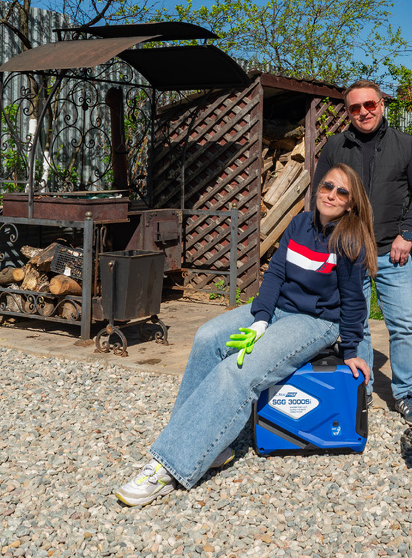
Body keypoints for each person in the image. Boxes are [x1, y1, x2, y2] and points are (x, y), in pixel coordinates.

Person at [115, 164, 376, 507]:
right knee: (208, 337)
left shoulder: (348, 240)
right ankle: (199, 444)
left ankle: (169, 466)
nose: (332, 194)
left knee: (239, 370)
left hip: (315, 321)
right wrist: (260, 320)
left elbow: (355, 303)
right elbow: (276, 275)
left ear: (351, 204)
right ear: (317, 188)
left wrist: (353, 348)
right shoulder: (298, 224)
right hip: (279, 308)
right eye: (328, 185)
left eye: (342, 192)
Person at [312, 79, 412, 423]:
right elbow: (320, 195)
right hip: (349, 252)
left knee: (405, 324)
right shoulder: (336, 145)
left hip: (391, 253)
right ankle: (360, 391)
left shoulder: (404, 145)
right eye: (355, 107)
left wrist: (407, 233)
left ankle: (405, 393)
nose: (363, 112)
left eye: (370, 105)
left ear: (382, 105)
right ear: (347, 112)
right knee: (356, 326)